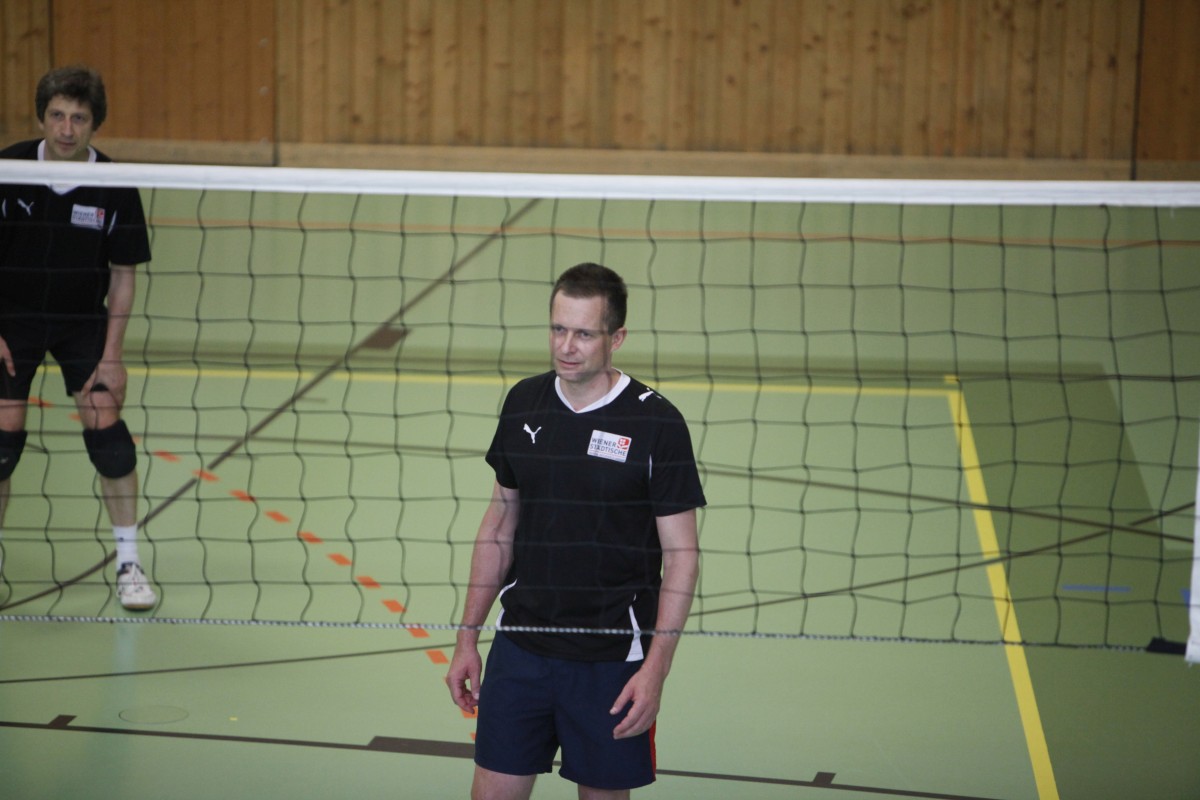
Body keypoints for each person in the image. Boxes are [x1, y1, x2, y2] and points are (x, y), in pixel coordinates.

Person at [445, 263, 705, 799]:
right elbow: (500, 523)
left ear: (617, 338)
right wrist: (467, 636)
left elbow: (682, 556)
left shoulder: (657, 424)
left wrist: (656, 670)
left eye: (584, 334)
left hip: (610, 660)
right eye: (558, 329)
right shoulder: (524, 402)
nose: (566, 346)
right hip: (521, 648)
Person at [0, 65, 155, 610]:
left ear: (95, 124)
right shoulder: (8, 168)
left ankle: (129, 561)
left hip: (81, 320)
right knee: (2, 439)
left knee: (108, 431)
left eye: (79, 119)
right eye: (58, 115)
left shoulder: (114, 184)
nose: (67, 129)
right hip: (10, 318)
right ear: (42, 117)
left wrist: (112, 357)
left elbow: (123, 274)